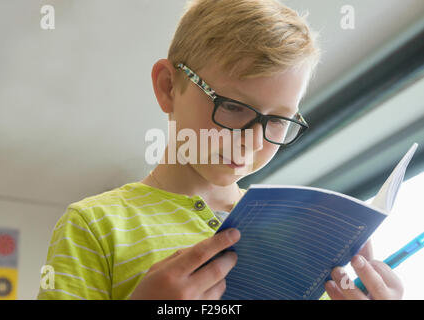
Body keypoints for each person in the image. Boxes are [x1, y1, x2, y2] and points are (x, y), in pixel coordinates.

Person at [37, 0, 403, 300]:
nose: (253, 140)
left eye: (277, 121)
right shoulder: (94, 226)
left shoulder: (297, 240)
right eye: (232, 106)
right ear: (168, 87)